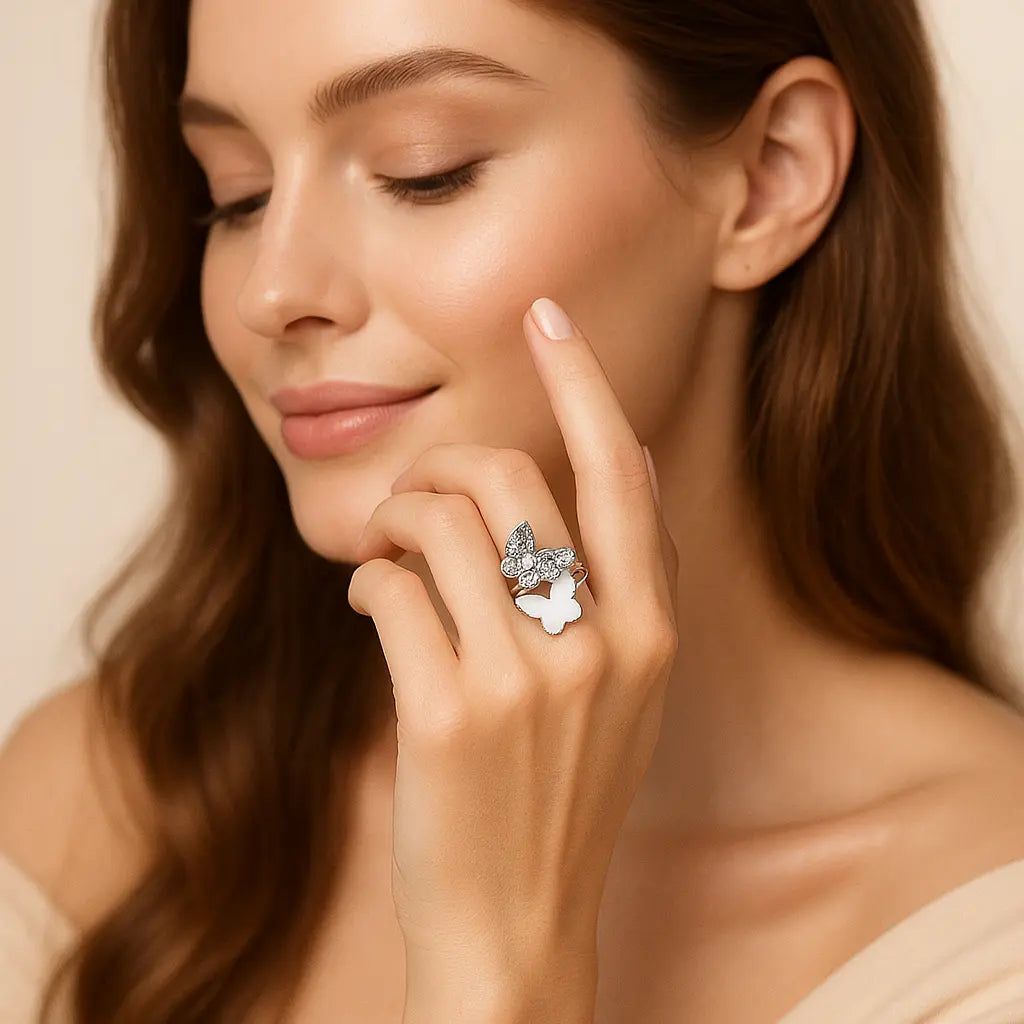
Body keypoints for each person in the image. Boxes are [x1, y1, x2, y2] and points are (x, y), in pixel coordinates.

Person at [2, 0, 1023, 1021]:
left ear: (769, 177)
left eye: (423, 169)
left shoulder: (984, 932)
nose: (272, 290)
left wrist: (498, 961)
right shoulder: (95, 811)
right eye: (237, 194)